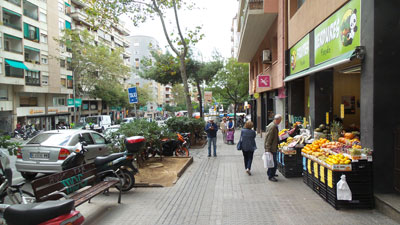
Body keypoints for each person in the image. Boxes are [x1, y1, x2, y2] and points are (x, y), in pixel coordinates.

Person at [264, 114, 282, 182]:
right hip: (272, 148)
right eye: (280, 120)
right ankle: (271, 176)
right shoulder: (273, 126)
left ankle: (271, 173)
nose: (280, 122)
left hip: (273, 147)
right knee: (272, 162)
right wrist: (267, 148)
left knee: (272, 162)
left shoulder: (273, 125)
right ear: (277, 120)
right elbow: (269, 138)